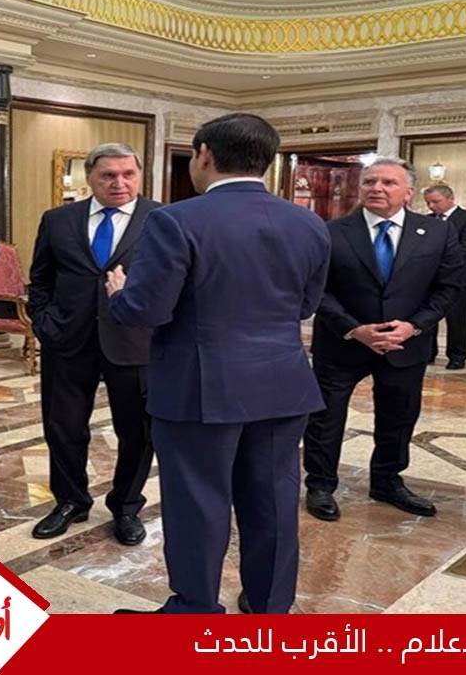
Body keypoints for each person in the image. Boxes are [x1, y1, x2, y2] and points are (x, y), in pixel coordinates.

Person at [106, 114, 330, 614]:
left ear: (204, 154)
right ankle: (269, 607)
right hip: (282, 383)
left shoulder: (176, 220)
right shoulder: (308, 222)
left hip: (200, 389)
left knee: (198, 504)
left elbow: (147, 311)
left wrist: (120, 294)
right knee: (273, 502)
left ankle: (195, 610)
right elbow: (305, 305)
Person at [302, 158, 466, 522]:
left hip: (405, 344)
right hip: (343, 342)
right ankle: (320, 484)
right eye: (369, 182)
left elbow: (449, 288)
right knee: (325, 418)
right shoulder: (330, 232)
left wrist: (414, 326)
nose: (377, 188)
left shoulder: (437, 233)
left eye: (388, 183)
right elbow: (316, 289)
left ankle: (388, 481)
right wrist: (354, 328)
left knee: (399, 415)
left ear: (408, 193)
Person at [27, 143, 158, 546]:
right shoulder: (58, 220)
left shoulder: (163, 220)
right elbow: (41, 278)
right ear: (90, 178)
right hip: (68, 340)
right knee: (63, 426)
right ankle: (70, 500)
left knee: (136, 431)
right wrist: (45, 322)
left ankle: (126, 506)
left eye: (128, 174)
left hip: (135, 342)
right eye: (108, 175)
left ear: (139, 175)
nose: (119, 182)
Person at [424, 185, 466, 370]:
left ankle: (458, 355)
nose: (431, 206)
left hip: (457, 277)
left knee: (457, 318)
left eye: (436, 202)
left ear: (450, 199)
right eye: (428, 203)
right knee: (427, 316)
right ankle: (428, 353)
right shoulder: (426, 221)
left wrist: (436, 257)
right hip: (429, 277)